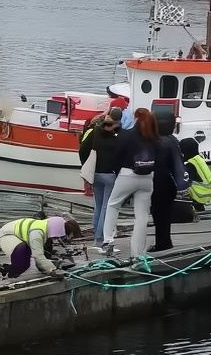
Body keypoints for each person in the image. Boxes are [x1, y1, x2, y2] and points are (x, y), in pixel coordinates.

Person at [101, 108, 188, 259]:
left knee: (113, 205)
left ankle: (108, 240)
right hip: (148, 178)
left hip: (128, 174)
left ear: (136, 119)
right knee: (141, 216)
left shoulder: (126, 135)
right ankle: (138, 252)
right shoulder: (155, 138)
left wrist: (117, 172)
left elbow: (116, 156)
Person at [78, 107, 123, 247]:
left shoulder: (95, 130)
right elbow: (120, 156)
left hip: (95, 173)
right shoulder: (118, 134)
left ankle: (96, 237)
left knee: (98, 206)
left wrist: (86, 165)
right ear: (119, 120)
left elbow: (83, 149)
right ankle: (101, 239)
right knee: (106, 207)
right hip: (110, 174)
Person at [0, 216, 81, 279]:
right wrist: (53, 270)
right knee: (22, 258)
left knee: (27, 261)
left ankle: (8, 271)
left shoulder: (46, 228)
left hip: (15, 235)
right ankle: (6, 274)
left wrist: (46, 267)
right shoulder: (37, 234)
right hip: (6, 236)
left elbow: (40, 254)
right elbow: (38, 256)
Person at [149, 117, 189, 252]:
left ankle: (162, 243)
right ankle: (165, 241)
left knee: (158, 213)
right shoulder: (173, 140)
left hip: (159, 182)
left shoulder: (158, 142)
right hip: (170, 182)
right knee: (165, 214)